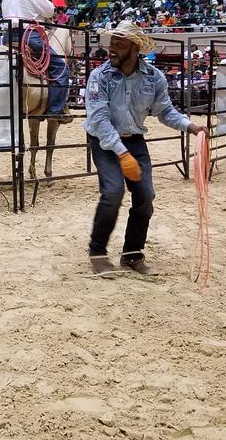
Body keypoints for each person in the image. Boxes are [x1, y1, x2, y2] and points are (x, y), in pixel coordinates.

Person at [83, 20, 206, 276]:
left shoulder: (153, 77)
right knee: (113, 192)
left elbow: (165, 111)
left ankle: (132, 254)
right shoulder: (99, 76)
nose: (112, 48)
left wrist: (190, 126)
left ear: (135, 48)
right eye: (112, 42)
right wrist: (122, 153)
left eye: (119, 43)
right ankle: (98, 251)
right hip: (105, 141)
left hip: (134, 141)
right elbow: (99, 119)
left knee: (145, 196)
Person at [0, 0, 71, 122]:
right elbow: (50, 11)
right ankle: (55, 110)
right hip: (29, 36)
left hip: (8, 37)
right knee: (61, 68)